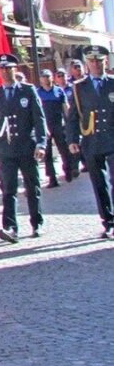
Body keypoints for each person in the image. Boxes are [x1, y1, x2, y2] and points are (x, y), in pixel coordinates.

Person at [0, 54, 47, 243]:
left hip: (26, 147)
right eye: (2, 69)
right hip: (5, 149)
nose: (5, 72)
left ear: (15, 69)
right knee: (8, 189)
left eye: (9, 68)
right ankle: (10, 227)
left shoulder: (28, 91)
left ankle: (36, 222)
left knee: (32, 186)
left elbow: (39, 118)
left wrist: (41, 143)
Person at [66, 45, 114, 239]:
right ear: (87, 64)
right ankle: (108, 221)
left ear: (106, 62)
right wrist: (72, 139)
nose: (96, 64)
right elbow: (73, 116)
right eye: (92, 61)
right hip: (91, 140)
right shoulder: (79, 87)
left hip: (112, 139)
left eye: (99, 61)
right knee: (99, 183)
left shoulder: (112, 83)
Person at [36, 68, 72, 188]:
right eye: (43, 77)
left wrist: (69, 123)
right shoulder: (37, 93)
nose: (46, 79)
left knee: (64, 150)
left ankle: (68, 169)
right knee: (47, 154)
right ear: (40, 79)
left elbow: (65, 108)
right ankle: (52, 178)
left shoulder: (59, 91)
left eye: (48, 76)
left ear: (52, 78)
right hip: (44, 125)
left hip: (58, 124)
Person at [55, 67, 82, 178]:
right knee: (64, 147)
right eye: (59, 76)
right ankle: (68, 167)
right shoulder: (56, 91)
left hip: (73, 121)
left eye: (63, 75)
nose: (62, 78)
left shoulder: (74, 88)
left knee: (76, 142)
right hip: (59, 123)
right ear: (55, 79)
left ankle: (75, 166)